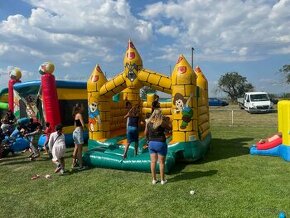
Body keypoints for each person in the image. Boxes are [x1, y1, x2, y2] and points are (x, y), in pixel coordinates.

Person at [144, 109, 172, 185]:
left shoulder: (148, 122)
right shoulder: (161, 122)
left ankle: (154, 180)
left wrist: (148, 141)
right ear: (160, 114)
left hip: (151, 143)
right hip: (160, 143)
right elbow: (170, 127)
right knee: (161, 163)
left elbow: (145, 133)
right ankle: (162, 180)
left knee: (153, 162)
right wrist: (166, 120)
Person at [72, 103, 85, 169]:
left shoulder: (76, 115)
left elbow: (75, 125)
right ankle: (80, 165)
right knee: (80, 150)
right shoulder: (79, 115)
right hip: (78, 132)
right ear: (79, 108)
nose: (83, 108)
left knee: (76, 148)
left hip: (75, 132)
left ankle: (73, 164)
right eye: (82, 106)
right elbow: (83, 124)